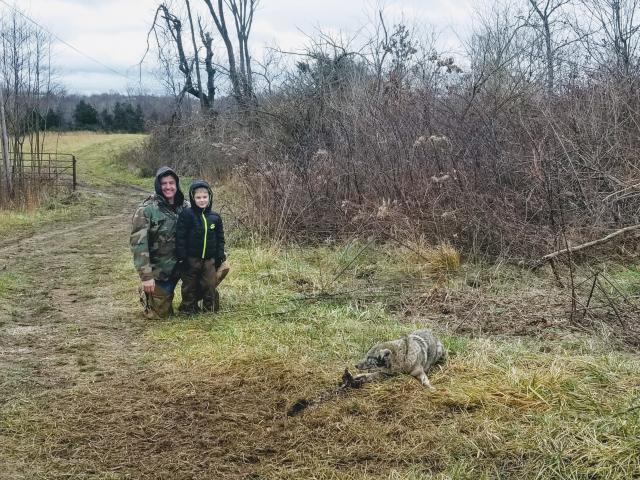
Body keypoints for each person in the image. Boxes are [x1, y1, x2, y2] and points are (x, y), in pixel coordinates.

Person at [130, 166, 188, 318]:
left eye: (171, 183)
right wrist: (146, 277)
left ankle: (193, 299)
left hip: (186, 266)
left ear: (177, 184)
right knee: (161, 315)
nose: (168, 187)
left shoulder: (186, 206)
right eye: (164, 183)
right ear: (158, 185)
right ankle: (149, 294)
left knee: (220, 268)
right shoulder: (146, 210)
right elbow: (139, 245)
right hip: (161, 272)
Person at [175, 179, 227, 314]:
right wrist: (182, 256)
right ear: (193, 198)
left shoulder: (215, 217)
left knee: (209, 284)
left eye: (205, 197)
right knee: (189, 284)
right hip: (190, 259)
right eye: (198, 197)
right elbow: (180, 237)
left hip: (209, 260)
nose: (202, 200)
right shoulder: (187, 215)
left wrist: (220, 255)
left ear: (210, 197)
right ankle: (188, 308)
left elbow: (220, 238)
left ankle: (210, 308)